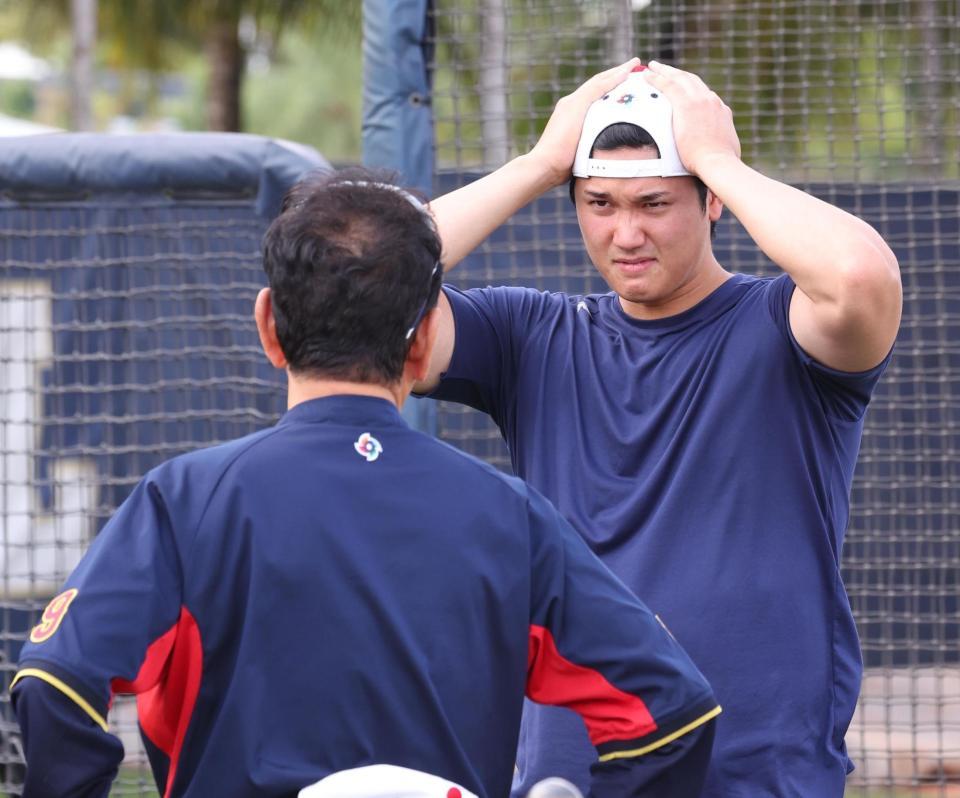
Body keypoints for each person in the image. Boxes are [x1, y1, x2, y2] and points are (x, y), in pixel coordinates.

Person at [11, 168, 720, 798]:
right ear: (424, 340)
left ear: (268, 325)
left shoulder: (187, 501)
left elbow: (56, 686)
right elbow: (673, 713)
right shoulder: (511, 517)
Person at [417, 59, 902, 797]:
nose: (626, 233)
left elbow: (860, 276)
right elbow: (353, 284)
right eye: (599, 203)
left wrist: (715, 157)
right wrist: (537, 163)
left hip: (759, 774)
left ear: (711, 203)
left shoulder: (785, 330)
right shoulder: (533, 338)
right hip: (576, 774)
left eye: (654, 202)